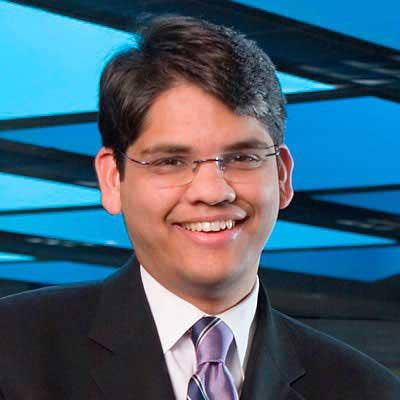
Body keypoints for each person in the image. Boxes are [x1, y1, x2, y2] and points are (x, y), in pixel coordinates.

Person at [0, 15, 399, 400]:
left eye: (242, 158)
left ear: (282, 176)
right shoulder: (13, 352)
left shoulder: (367, 389)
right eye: (170, 161)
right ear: (112, 178)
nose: (212, 191)